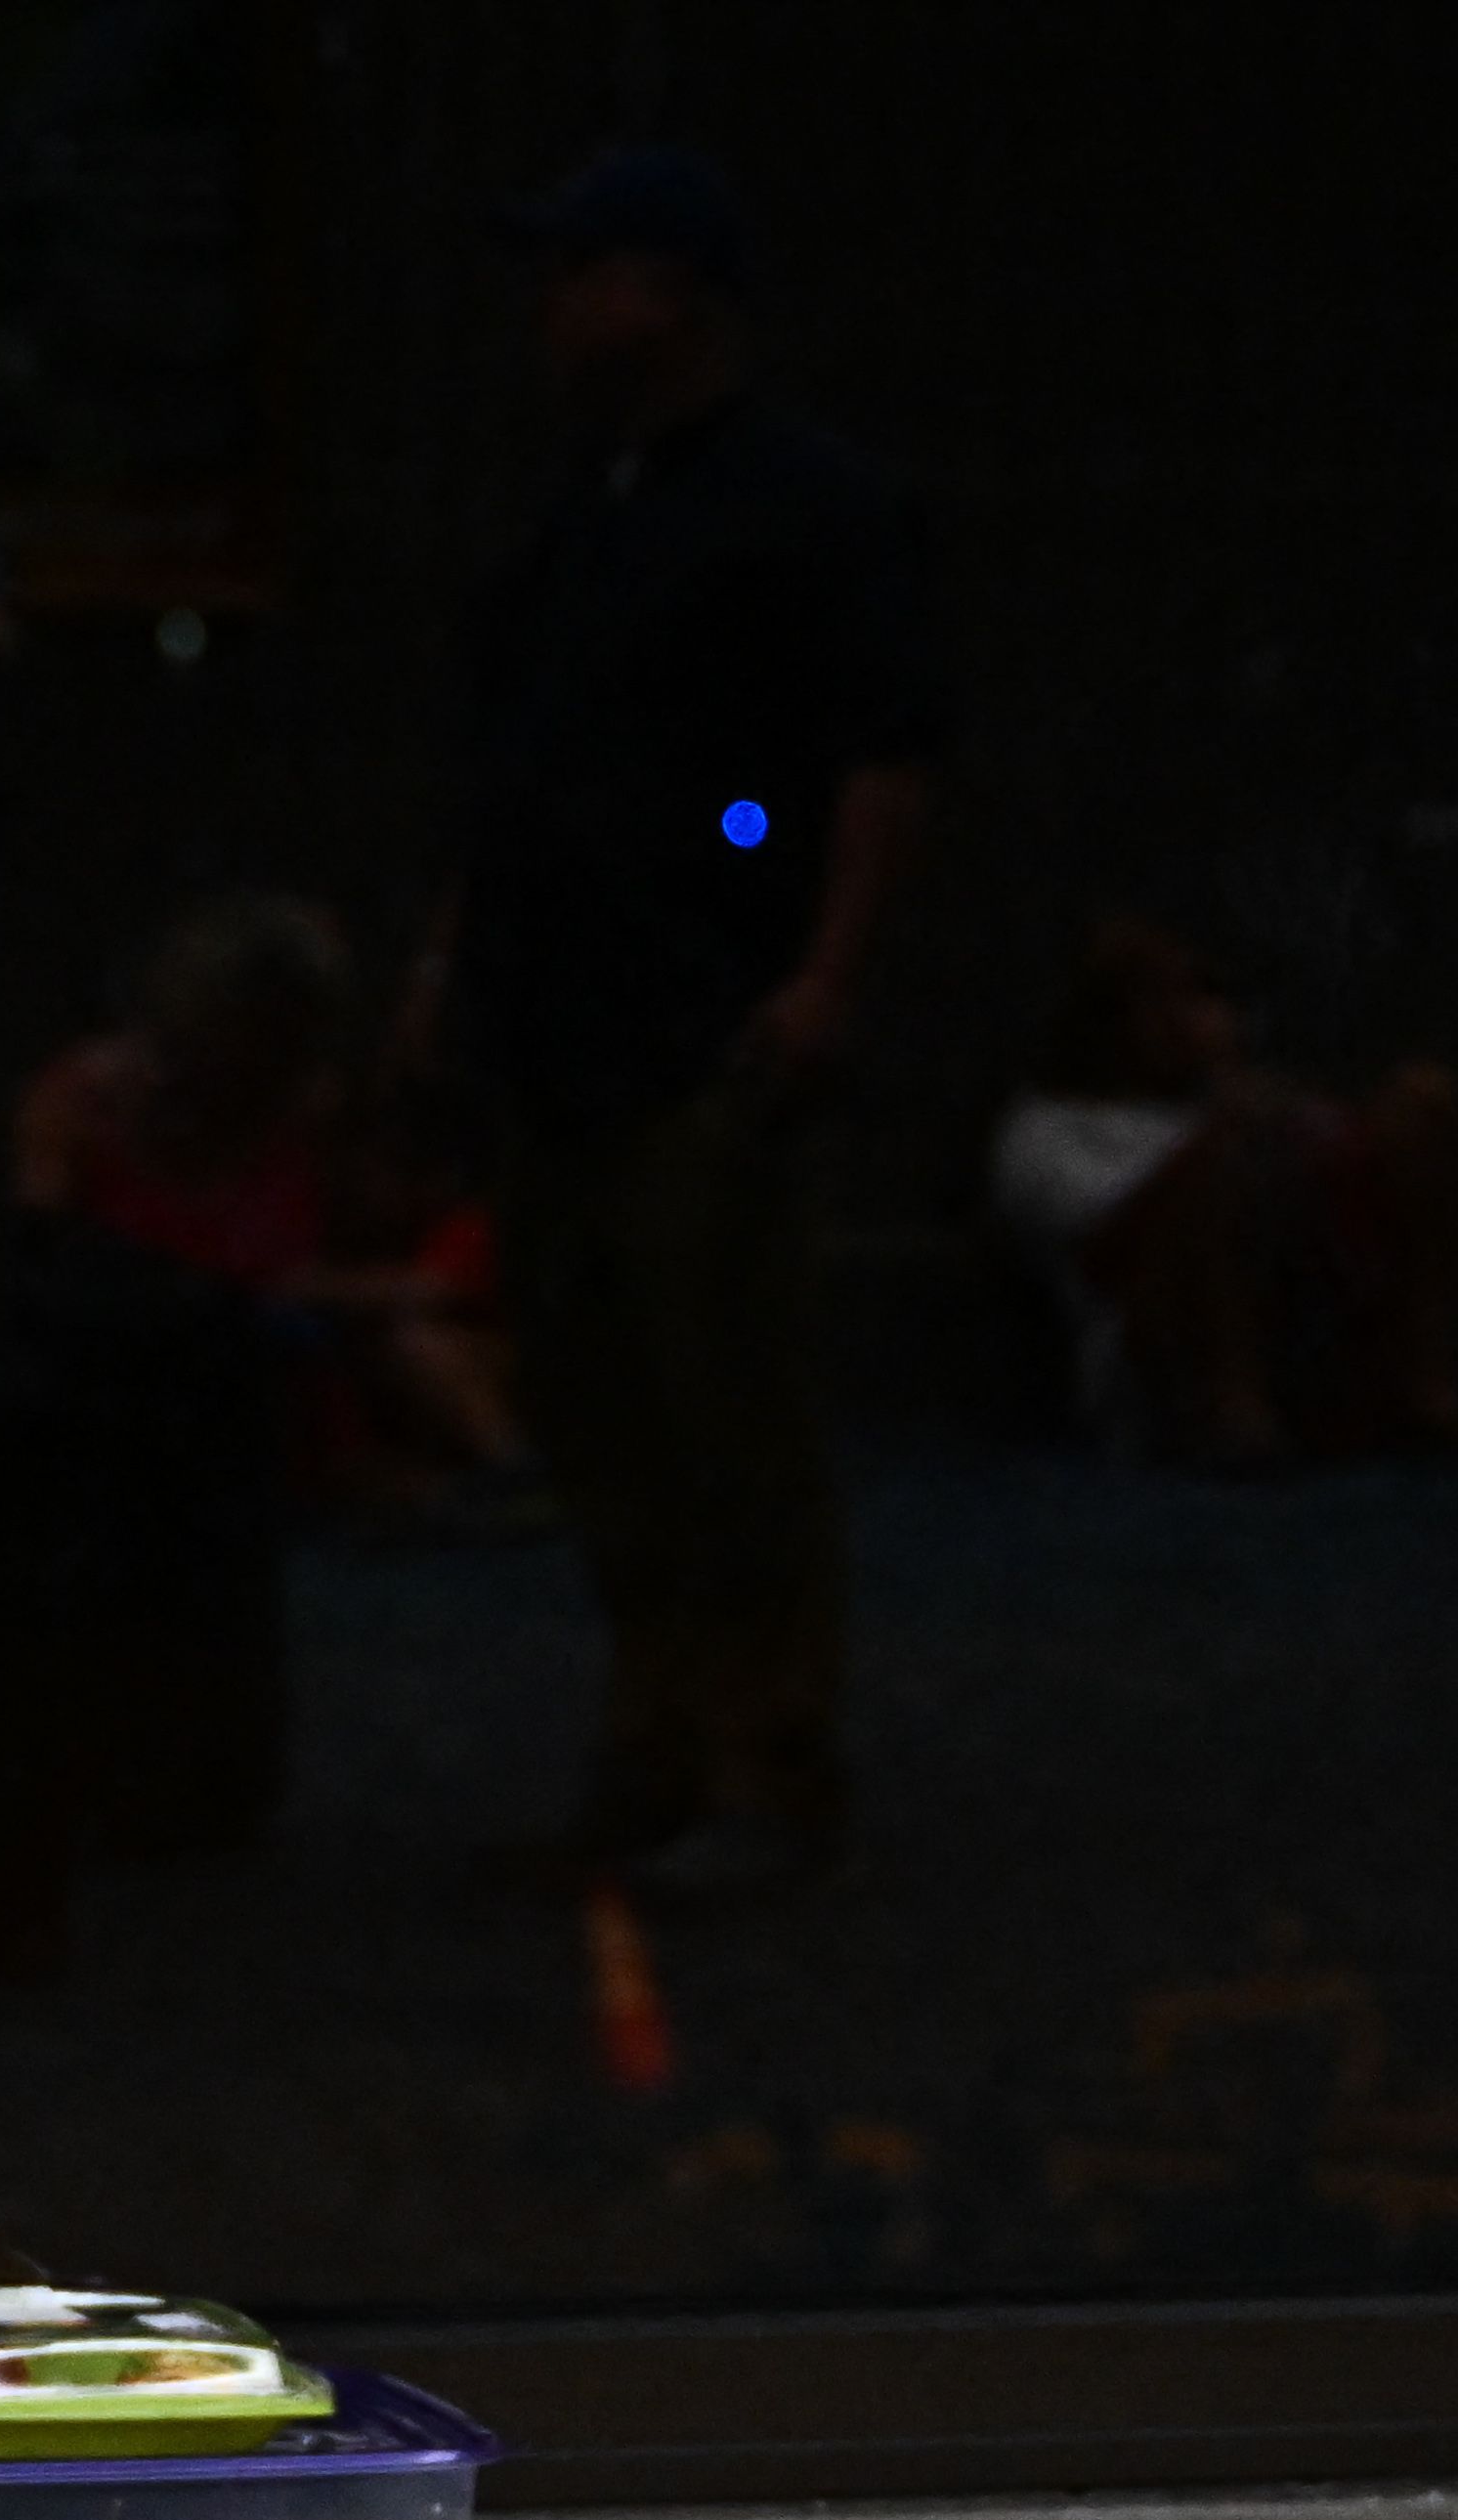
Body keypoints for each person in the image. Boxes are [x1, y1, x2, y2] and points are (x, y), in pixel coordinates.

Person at [420, 146, 941, 1902]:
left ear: (678, 296)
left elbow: (888, 750)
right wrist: (458, 964)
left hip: (701, 1015)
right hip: (563, 1017)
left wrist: (823, 980)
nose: (554, 309)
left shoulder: (803, 503)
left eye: (588, 273)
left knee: (725, 1412)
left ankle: (766, 1763)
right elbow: (516, 780)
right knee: (607, 1414)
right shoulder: (586, 515)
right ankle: (661, 1746)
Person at [12, 889, 526, 1509]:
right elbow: (42, 1264)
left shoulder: (305, 1115)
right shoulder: (83, 1105)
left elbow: (356, 1255)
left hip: (278, 1373)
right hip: (136, 1373)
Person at [978, 917, 1458, 1471]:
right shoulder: (1044, 1128)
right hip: (1157, 1358)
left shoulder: (1231, 1103)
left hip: (1298, 1305)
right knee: (1231, 1157)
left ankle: (1427, 1399)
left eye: (1189, 996)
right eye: (1150, 1001)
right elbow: (1112, 1251)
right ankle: (1238, 1419)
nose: (1179, 1017)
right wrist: (1226, 1133)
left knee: (1421, 1101)